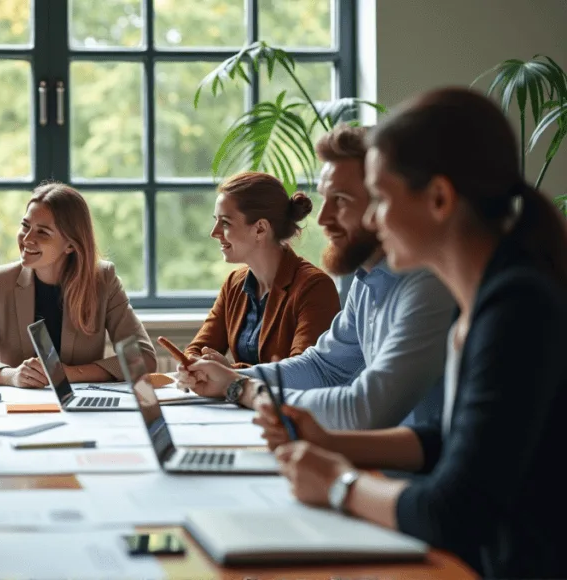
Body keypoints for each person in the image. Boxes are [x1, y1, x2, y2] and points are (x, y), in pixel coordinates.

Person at [255, 87, 567, 578]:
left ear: (439, 198)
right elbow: (456, 444)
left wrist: (339, 484)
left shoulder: (517, 308)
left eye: (380, 197)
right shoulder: (490, 297)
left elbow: (455, 511)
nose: (374, 219)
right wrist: (336, 444)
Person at [178, 125, 456, 430]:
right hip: (370, 460)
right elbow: (323, 367)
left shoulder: (428, 287)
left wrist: (240, 388)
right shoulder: (366, 282)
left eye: (342, 200)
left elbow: (362, 409)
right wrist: (233, 377)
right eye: (325, 199)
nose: (322, 219)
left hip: (401, 472)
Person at [0, 182, 156, 386]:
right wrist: (13, 376)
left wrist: (68, 373)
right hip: (20, 406)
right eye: (25, 226)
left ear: (71, 244)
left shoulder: (103, 280)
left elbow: (143, 357)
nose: (27, 239)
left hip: (83, 405)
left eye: (42, 232)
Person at [184, 171, 340, 367]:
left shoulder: (315, 288)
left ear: (260, 229)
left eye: (225, 222)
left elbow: (302, 371)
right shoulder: (234, 283)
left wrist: (227, 373)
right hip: (238, 397)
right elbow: (197, 349)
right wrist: (192, 363)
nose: (214, 233)